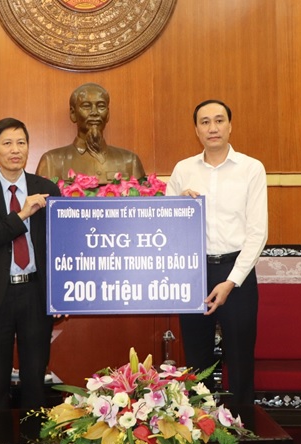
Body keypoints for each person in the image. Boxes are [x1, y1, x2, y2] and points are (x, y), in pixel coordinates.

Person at [166, 99, 268, 404]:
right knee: (197, 365)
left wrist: (231, 281)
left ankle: (241, 427)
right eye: (205, 122)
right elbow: (166, 226)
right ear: (196, 130)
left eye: (219, 120)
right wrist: (178, 204)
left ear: (230, 126)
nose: (213, 127)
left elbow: (258, 232)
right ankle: (200, 428)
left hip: (237, 273)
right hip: (193, 272)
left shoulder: (251, 168)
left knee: (240, 361)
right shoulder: (183, 170)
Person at [0, 117, 61, 417]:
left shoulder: (47, 189)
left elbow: (58, 245)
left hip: (35, 294)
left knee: (35, 381)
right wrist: (21, 215)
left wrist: (60, 294)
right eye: (7, 143)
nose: (15, 149)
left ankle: (33, 441)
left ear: (28, 148)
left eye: (21, 142)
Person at [36, 82, 145, 184]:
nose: (94, 112)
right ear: (73, 114)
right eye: (86, 106)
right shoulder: (51, 161)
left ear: (108, 114)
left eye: (101, 106)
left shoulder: (130, 161)